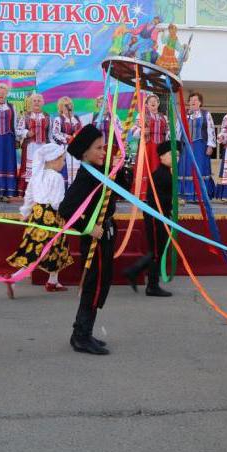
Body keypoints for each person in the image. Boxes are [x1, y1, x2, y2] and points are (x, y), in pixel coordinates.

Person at [58, 124, 133, 355]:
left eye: (104, 147)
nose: (103, 152)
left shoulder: (101, 170)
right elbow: (66, 209)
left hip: (107, 234)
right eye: (99, 148)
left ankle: (84, 330)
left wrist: (120, 166)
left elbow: (122, 189)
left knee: (101, 285)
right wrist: (89, 228)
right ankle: (80, 335)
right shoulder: (85, 175)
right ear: (85, 153)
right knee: (93, 286)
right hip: (95, 240)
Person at [5, 143, 74, 298]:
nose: (63, 164)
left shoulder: (37, 176)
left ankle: (53, 281)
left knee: (49, 248)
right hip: (52, 218)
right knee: (45, 249)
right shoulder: (57, 177)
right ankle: (14, 278)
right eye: (62, 160)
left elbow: (29, 196)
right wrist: (70, 212)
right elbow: (57, 202)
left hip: (37, 215)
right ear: (53, 160)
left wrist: (25, 212)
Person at [123, 140, 179, 297]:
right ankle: (152, 285)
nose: (176, 157)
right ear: (161, 157)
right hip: (155, 217)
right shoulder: (160, 175)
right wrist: (172, 201)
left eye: (178, 155)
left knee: (160, 250)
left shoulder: (168, 172)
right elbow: (158, 199)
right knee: (156, 251)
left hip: (162, 216)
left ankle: (134, 271)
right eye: (172, 154)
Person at [178, 92, 216, 201]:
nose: (194, 102)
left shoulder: (205, 114)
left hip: (200, 146)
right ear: (188, 102)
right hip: (186, 146)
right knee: (186, 169)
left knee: (199, 168)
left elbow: (211, 129)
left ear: (200, 103)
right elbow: (178, 130)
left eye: (196, 100)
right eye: (191, 100)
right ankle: (186, 195)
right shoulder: (183, 114)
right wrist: (177, 146)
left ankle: (201, 196)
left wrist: (210, 146)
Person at [131, 93, 169, 199]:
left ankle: (159, 193)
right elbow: (133, 130)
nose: (153, 103)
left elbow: (168, 132)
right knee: (146, 169)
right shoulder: (142, 116)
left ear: (158, 104)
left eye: (155, 101)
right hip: (147, 147)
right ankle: (144, 194)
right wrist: (142, 132)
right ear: (146, 105)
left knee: (159, 170)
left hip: (160, 149)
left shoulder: (164, 117)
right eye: (150, 101)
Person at [16, 93, 50, 196]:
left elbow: (50, 132)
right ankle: (27, 191)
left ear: (43, 103)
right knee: (29, 168)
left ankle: (41, 190)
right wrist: (27, 133)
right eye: (34, 101)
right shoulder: (26, 115)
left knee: (42, 167)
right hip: (30, 146)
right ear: (31, 102)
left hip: (43, 146)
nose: (36, 103)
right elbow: (18, 130)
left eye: (39, 101)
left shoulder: (47, 116)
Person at [51, 96, 83, 186]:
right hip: (64, 148)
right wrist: (68, 138)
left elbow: (81, 131)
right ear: (61, 107)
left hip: (76, 148)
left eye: (70, 105)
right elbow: (55, 133)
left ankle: (74, 189)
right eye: (65, 105)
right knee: (65, 170)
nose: (68, 107)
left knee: (75, 170)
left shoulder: (76, 118)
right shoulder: (58, 119)